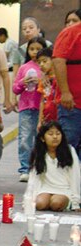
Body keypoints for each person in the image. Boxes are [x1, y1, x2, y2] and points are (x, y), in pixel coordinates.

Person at [14, 39, 48, 181]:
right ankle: (25, 169)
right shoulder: (24, 68)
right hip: (26, 108)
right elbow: (15, 89)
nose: (34, 52)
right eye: (31, 49)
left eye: (38, 49)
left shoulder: (47, 68)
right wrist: (23, 83)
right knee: (25, 139)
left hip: (44, 109)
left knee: (43, 139)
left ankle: (41, 168)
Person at [28, 121, 80, 211]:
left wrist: (76, 201)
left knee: (56, 204)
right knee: (40, 204)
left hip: (64, 189)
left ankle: (67, 202)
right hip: (45, 188)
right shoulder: (39, 152)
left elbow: (75, 176)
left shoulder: (70, 151)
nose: (55, 137)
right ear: (42, 138)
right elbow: (34, 177)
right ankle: (48, 201)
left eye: (58, 134)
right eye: (50, 134)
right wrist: (29, 199)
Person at [53, 12, 81, 149]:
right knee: (68, 148)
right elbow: (58, 60)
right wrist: (65, 92)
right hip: (72, 103)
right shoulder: (71, 33)